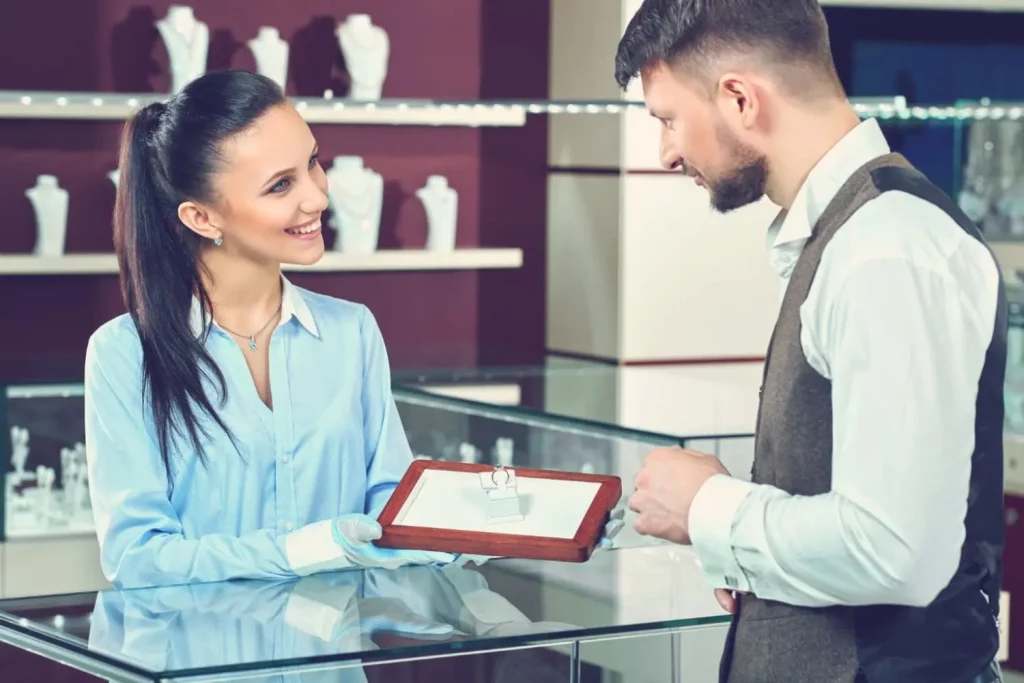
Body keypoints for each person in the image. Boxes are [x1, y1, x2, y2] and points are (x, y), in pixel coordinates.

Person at [616, 2, 1006, 683]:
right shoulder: (853, 236)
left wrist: (708, 507)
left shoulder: (885, 250)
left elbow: (895, 548)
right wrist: (755, 561)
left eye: (669, 119)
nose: (668, 152)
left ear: (740, 98)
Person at [83, 70, 453, 591]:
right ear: (201, 217)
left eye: (312, 163)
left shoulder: (353, 333)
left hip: (331, 666)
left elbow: (393, 509)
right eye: (281, 185)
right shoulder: (124, 354)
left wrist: (516, 526)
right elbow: (138, 558)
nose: (318, 197)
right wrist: (304, 550)